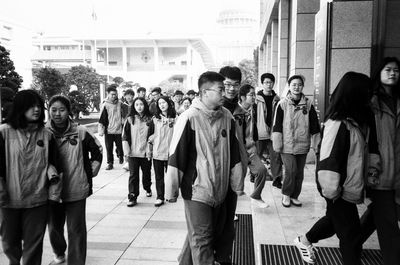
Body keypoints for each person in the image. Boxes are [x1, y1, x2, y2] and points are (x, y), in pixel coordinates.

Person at [293, 72, 380, 265]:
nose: (371, 97)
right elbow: (328, 162)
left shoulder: (357, 121)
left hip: (346, 188)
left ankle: (304, 240)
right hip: (337, 189)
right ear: (355, 94)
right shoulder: (338, 124)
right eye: (368, 93)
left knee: (334, 222)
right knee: (351, 237)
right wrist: (333, 192)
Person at [165, 71, 243, 265]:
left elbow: (234, 155)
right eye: (220, 89)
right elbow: (176, 157)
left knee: (208, 235)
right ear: (204, 92)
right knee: (202, 240)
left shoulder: (227, 117)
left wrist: (237, 183)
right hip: (197, 190)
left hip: (222, 189)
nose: (225, 93)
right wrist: (171, 191)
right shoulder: (189, 118)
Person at [0, 89, 62, 265]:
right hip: (9, 200)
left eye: (38, 106)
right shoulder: (3, 132)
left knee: (34, 246)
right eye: (31, 106)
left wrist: (53, 195)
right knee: (9, 243)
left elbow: (55, 165)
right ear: (20, 107)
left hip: (37, 200)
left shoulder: (46, 135)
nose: (36, 110)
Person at [46, 95, 103, 265]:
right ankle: (59, 251)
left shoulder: (81, 132)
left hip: (76, 187)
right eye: (54, 110)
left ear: (68, 112)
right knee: (54, 228)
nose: (57, 114)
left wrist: (89, 172)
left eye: (62, 110)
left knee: (76, 229)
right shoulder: (43, 133)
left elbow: (98, 151)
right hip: (51, 189)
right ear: (48, 111)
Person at [359, 57, 400, 265]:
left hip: (398, 170)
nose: (393, 73)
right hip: (380, 169)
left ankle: (352, 243)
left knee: (379, 214)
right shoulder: (371, 102)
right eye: (388, 69)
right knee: (389, 222)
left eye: (396, 70)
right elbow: (368, 139)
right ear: (379, 72)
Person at [272, 75, 320, 207]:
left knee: (299, 173)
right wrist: (277, 143)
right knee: (291, 170)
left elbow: (315, 125)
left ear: (303, 86)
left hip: (302, 144)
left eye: (299, 84)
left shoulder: (308, 104)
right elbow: (277, 125)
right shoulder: (282, 104)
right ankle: (286, 194)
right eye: (294, 84)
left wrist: (316, 144)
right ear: (289, 86)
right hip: (286, 145)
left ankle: (294, 196)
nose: (296, 87)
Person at [238, 84, 270, 207]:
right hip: (238, 151)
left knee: (261, 170)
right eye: (251, 95)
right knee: (237, 181)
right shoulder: (235, 112)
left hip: (251, 149)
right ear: (242, 97)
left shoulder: (253, 109)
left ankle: (256, 196)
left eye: (254, 94)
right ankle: (232, 209)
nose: (254, 97)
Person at [122, 97, 154, 207]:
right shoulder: (130, 119)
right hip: (133, 153)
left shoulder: (150, 119)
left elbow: (153, 134)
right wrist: (127, 152)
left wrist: (150, 149)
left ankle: (147, 187)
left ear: (145, 105)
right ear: (134, 107)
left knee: (146, 173)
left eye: (141, 104)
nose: (139, 107)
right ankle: (132, 196)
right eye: (136, 105)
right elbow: (125, 136)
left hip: (146, 152)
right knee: (133, 175)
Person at [147, 96, 176, 207]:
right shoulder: (155, 119)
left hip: (171, 152)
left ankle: (170, 195)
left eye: (164, 102)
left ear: (168, 103)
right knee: (159, 177)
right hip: (158, 152)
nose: (162, 105)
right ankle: (160, 197)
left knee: (170, 176)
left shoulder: (176, 118)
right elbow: (149, 136)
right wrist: (149, 151)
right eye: (159, 103)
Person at [256, 73, 283, 189]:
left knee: (276, 156)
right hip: (260, 131)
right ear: (262, 84)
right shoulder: (256, 99)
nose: (269, 84)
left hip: (273, 132)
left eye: (271, 82)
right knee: (257, 155)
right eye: (266, 82)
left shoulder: (277, 99)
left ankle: (277, 179)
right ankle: (254, 174)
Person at [98, 84, 128, 170]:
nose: (114, 96)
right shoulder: (105, 104)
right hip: (109, 130)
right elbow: (102, 119)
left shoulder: (120, 104)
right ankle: (110, 163)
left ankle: (121, 156)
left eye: (115, 94)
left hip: (119, 130)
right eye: (112, 94)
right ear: (108, 94)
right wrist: (101, 130)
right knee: (109, 148)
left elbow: (125, 114)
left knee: (120, 146)